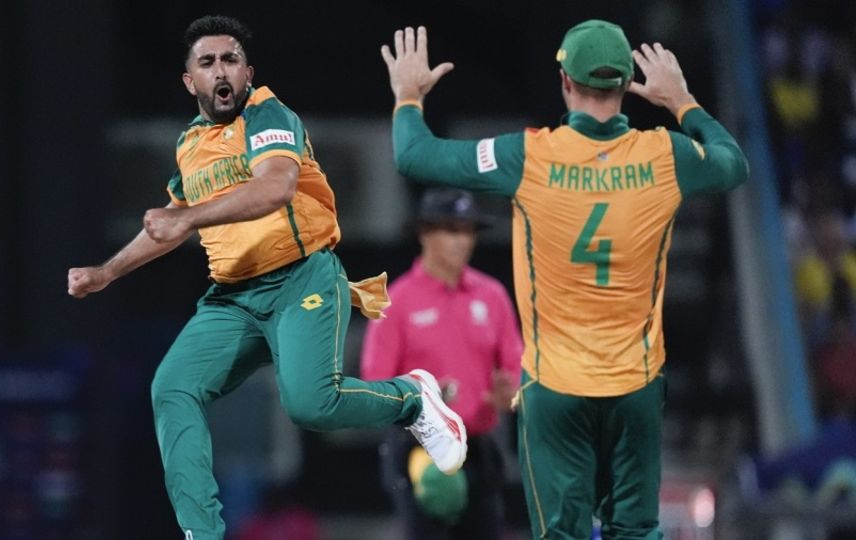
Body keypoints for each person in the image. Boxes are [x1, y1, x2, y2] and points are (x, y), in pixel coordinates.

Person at [66, 15, 467, 540]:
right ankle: (202, 533)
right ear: (191, 82)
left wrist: (186, 219)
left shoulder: (267, 112)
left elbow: (275, 187)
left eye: (230, 59)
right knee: (172, 387)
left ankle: (411, 398)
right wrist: (107, 271)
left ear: (247, 71)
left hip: (301, 278)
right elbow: (168, 220)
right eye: (207, 63)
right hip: (233, 298)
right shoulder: (189, 145)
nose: (221, 70)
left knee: (310, 406)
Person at [380, 20, 749, 538]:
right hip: (635, 388)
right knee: (636, 531)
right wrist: (682, 101)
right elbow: (734, 165)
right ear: (627, 86)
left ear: (565, 81)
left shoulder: (528, 156)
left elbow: (413, 154)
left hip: (555, 390)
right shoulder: (666, 156)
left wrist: (408, 97)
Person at [360, 188, 523, 539]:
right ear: (425, 234)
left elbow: (516, 370)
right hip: (419, 448)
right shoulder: (398, 302)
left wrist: (510, 395)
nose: (461, 241)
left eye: (467, 230)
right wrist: (424, 399)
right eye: (450, 230)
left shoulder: (491, 296)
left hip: (478, 446)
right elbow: (375, 385)